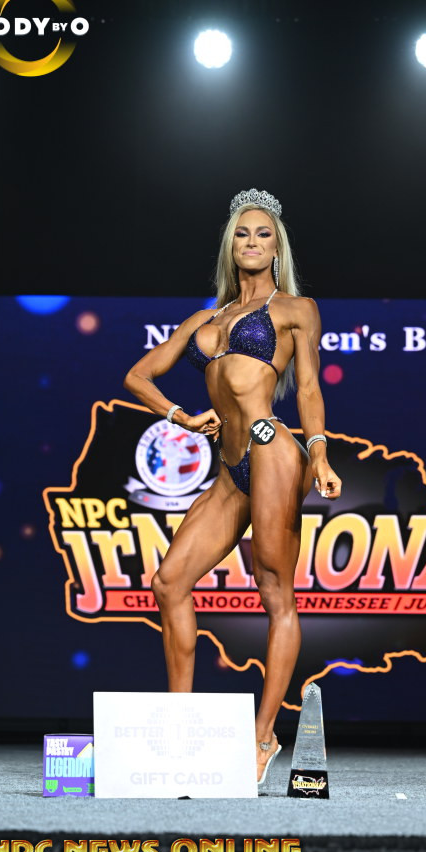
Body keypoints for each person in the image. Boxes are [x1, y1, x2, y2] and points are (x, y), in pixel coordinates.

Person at [123, 187, 342, 788]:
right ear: (230, 245)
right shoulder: (206, 320)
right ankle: (179, 726)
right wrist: (179, 416)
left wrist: (320, 454)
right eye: (242, 233)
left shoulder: (295, 308)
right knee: (169, 582)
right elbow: (138, 376)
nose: (252, 241)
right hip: (229, 467)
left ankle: (263, 736)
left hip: (274, 451)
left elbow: (309, 388)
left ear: (277, 247)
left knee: (275, 591)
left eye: (263, 233)